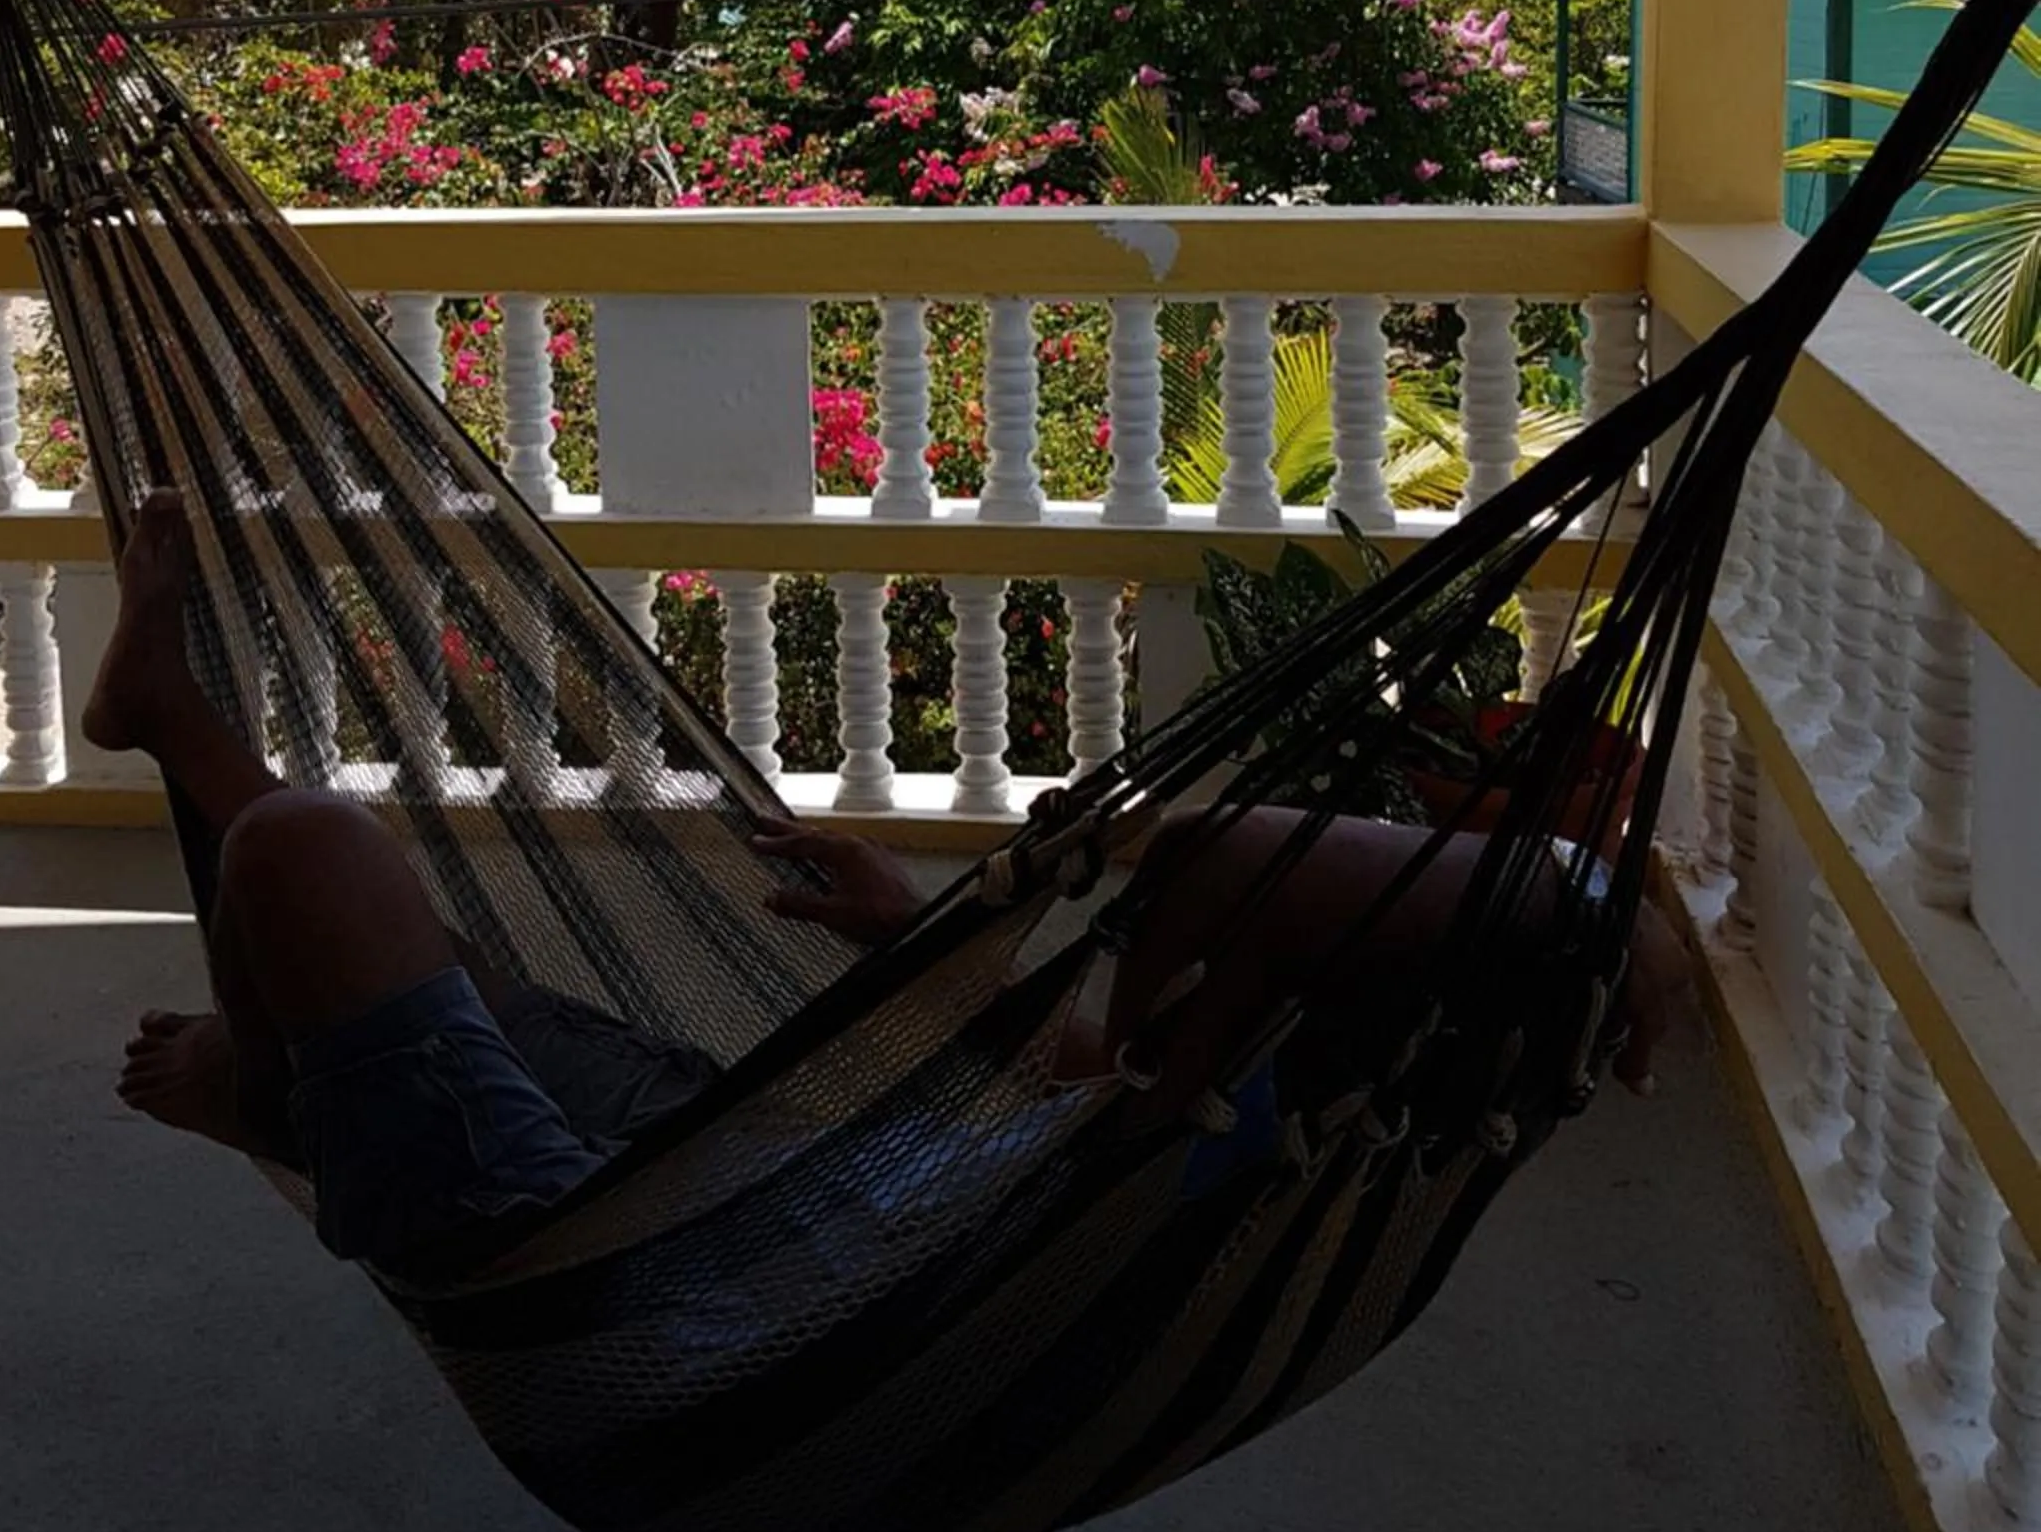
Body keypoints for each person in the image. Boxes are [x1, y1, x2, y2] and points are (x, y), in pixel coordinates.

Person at [97, 493, 1677, 1293]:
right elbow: (1073, 1078)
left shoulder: (1230, 1155)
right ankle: (169, 719)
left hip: (631, 1275)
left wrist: (1591, 920)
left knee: (300, 859)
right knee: (428, 962)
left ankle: (270, 1086)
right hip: (714, 1145)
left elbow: (1169, 969)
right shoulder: (1239, 1112)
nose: (1189, 941)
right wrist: (898, 926)